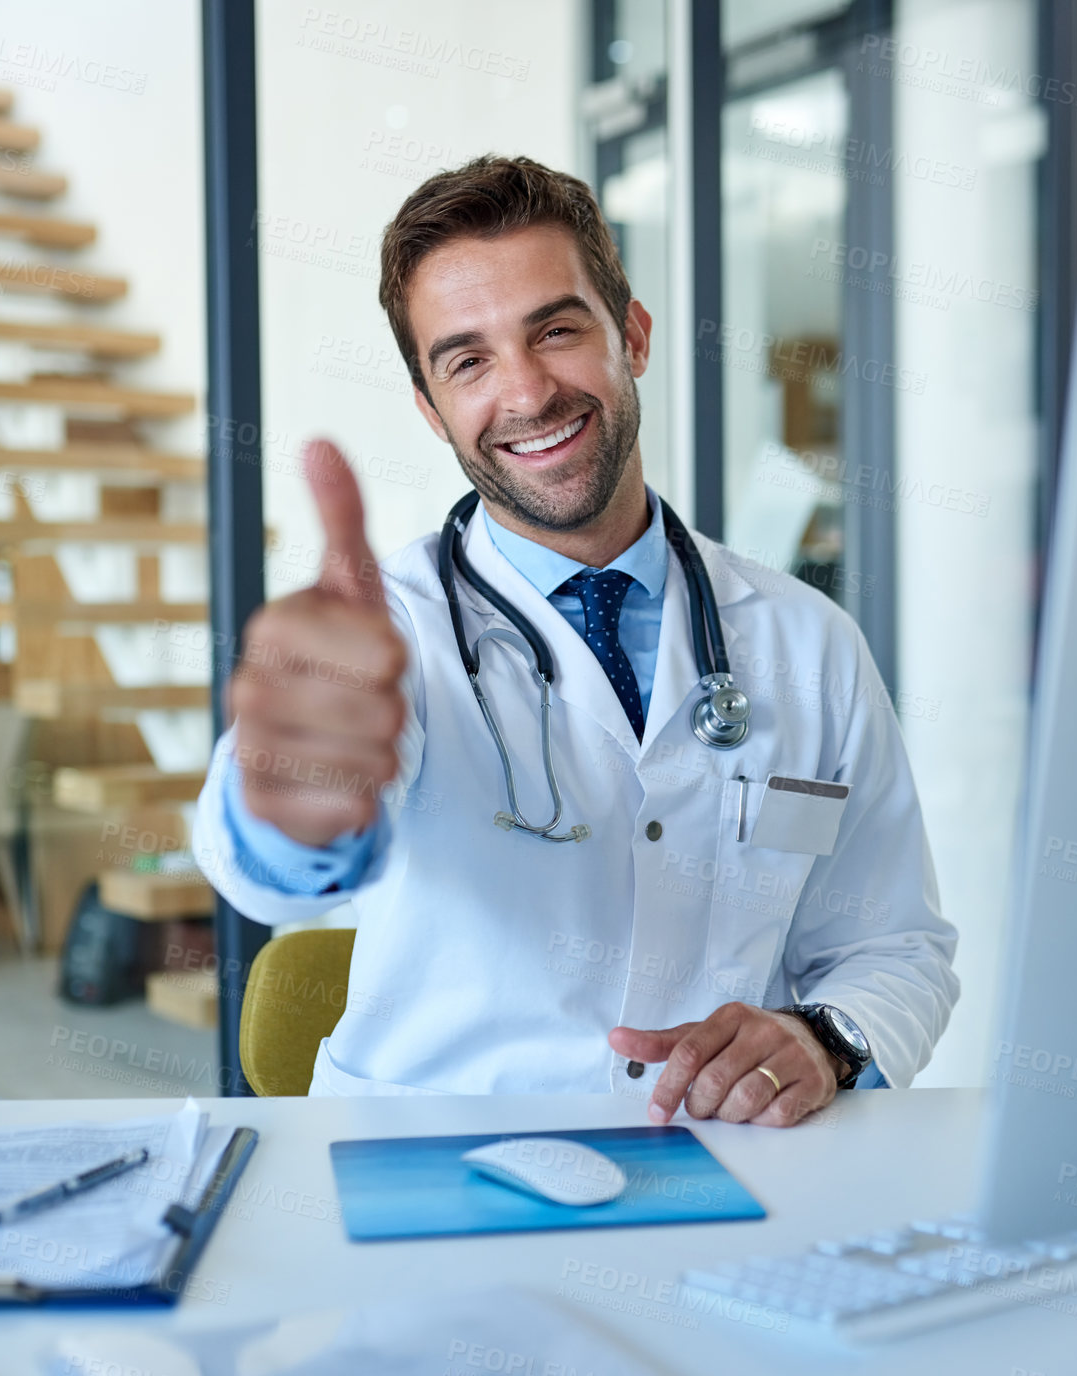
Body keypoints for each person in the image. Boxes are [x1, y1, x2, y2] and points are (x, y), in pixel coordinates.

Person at [194, 155, 959, 1125]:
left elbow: (896, 946)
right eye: (468, 361)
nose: (526, 393)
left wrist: (829, 1037)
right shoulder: (389, 632)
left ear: (632, 335)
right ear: (431, 411)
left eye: (555, 330)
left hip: (723, 1164)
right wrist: (289, 797)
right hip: (435, 1179)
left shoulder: (809, 643)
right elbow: (267, 861)